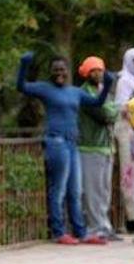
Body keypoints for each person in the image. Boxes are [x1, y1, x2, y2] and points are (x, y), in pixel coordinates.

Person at [17, 51, 112, 245]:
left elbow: (97, 102)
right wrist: (24, 65)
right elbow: (21, 86)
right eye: (55, 70)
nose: (59, 73)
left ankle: (81, 232)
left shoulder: (75, 92)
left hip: (72, 143)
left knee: (75, 191)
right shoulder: (45, 89)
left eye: (63, 69)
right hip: (56, 142)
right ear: (50, 72)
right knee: (58, 189)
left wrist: (108, 84)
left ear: (68, 72)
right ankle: (58, 232)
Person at [77, 56, 121, 241]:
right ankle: (95, 227)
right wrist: (113, 110)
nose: (98, 74)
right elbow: (104, 114)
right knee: (93, 191)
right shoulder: (84, 93)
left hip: (106, 147)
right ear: (86, 73)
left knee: (104, 190)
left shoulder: (103, 91)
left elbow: (113, 112)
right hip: (90, 146)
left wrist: (112, 110)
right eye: (93, 70)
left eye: (100, 70)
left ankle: (104, 225)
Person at [114, 48, 134, 239]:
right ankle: (131, 217)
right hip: (126, 131)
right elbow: (122, 107)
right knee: (128, 174)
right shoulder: (124, 81)